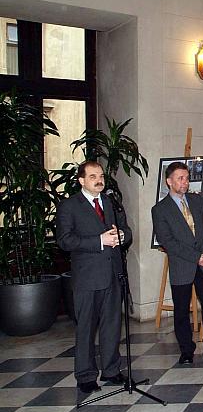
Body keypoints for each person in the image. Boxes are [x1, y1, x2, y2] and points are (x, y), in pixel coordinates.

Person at [56, 161, 132, 395]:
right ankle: (86, 376)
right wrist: (99, 241)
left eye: (100, 175)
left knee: (112, 325)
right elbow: (65, 241)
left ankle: (111, 371)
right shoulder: (70, 206)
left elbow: (126, 231)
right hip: (87, 278)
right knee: (86, 329)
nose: (99, 180)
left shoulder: (109, 202)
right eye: (92, 176)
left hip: (112, 274)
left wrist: (122, 236)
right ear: (81, 181)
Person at [152, 162, 203, 364]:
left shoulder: (196, 200)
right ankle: (186, 350)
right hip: (182, 266)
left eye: (187, 178)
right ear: (169, 181)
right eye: (180, 178)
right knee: (181, 310)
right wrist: (196, 256)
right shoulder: (160, 209)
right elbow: (167, 241)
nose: (185, 182)